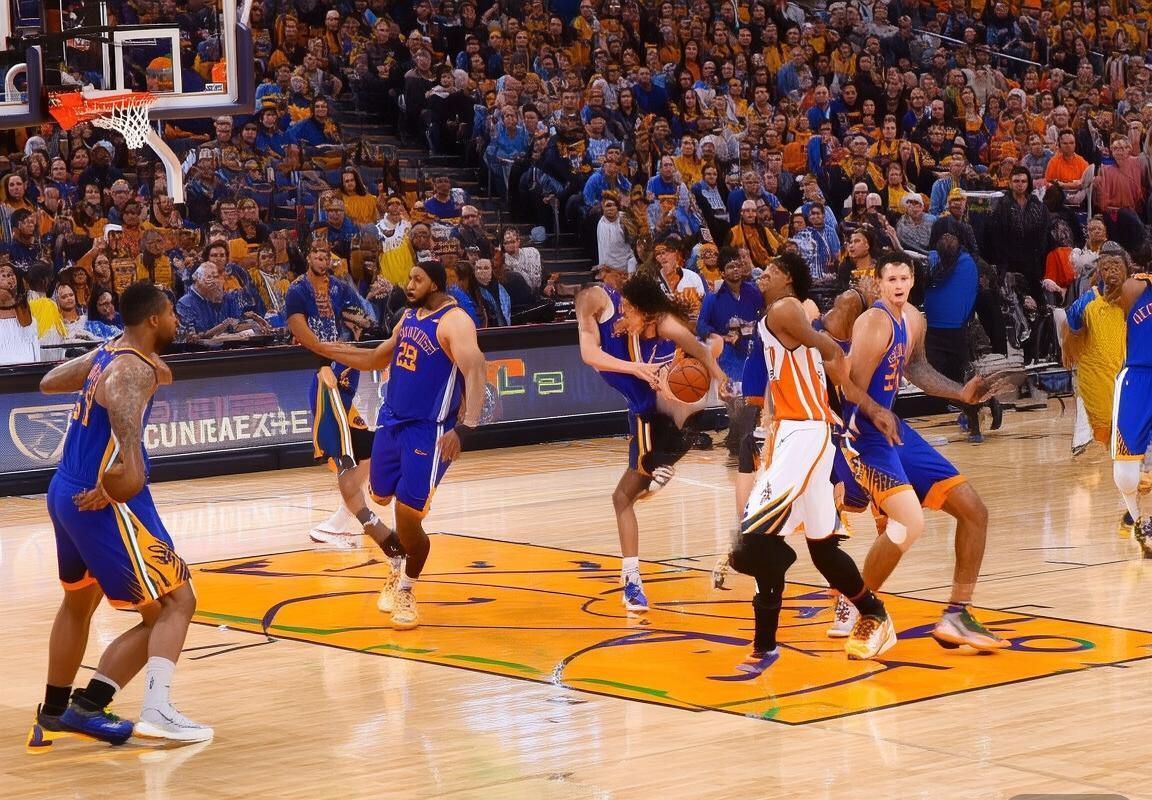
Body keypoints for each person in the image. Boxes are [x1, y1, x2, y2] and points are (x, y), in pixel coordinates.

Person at [30, 282, 212, 748]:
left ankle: (56, 710)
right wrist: (116, 485)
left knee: (78, 603)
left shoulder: (112, 351)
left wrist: (118, 364)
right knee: (175, 603)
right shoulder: (130, 370)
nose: (176, 320)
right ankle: (145, 709)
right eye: (171, 313)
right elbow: (129, 460)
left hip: (65, 489)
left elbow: (49, 382)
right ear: (153, 319)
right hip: (102, 502)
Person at [728, 252, 896, 671]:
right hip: (798, 432)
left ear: (787, 277)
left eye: (770, 270)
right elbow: (808, 362)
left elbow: (826, 346)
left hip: (805, 434)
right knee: (822, 549)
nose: (762, 274)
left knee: (750, 544)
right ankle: (871, 613)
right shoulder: (777, 315)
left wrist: (829, 350)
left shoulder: (785, 308)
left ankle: (780, 569)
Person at [840, 251, 1010, 658]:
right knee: (906, 524)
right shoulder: (873, 322)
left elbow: (916, 369)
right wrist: (876, 411)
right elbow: (847, 387)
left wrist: (960, 392)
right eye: (891, 279)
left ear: (913, 280)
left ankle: (957, 614)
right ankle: (856, 607)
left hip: (893, 429)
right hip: (862, 434)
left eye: (904, 278)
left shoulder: (914, 319)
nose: (898, 285)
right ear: (878, 283)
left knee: (974, 511)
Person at [305, 259, 486, 629]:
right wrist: (326, 349)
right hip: (391, 422)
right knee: (380, 495)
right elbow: (375, 358)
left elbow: (476, 367)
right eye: (410, 278)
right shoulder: (409, 317)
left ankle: (406, 587)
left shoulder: (455, 322)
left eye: (418, 278)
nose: (410, 283)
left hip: (428, 431)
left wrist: (465, 428)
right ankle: (397, 558)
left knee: (408, 517)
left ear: (436, 284)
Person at [576, 267, 730, 612]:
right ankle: (632, 577)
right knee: (624, 497)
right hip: (653, 415)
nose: (623, 313)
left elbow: (704, 350)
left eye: (628, 309)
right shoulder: (619, 325)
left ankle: (632, 582)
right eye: (622, 308)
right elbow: (589, 354)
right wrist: (639, 367)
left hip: (661, 415)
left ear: (644, 311)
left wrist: (721, 378)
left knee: (630, 488)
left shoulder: (665, 325)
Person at [286, 240, 378, 548]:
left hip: (344, 369)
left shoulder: (340, 289)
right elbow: (302, 333)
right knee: (345, 452)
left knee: (364, 451)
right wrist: (327, 357)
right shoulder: (297, 291)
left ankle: (343, 518)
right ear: (308, 257)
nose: (321, 260)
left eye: (326, 256)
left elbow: (365, 317)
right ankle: (344, 518)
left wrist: (361, 321)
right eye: (316, 254)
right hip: (324, 372)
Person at [1109, 250, 1152, 556]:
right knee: (1126, 473)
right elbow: (1113, 291)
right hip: (1137, 378)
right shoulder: (1137, 287)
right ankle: (1138, 522)